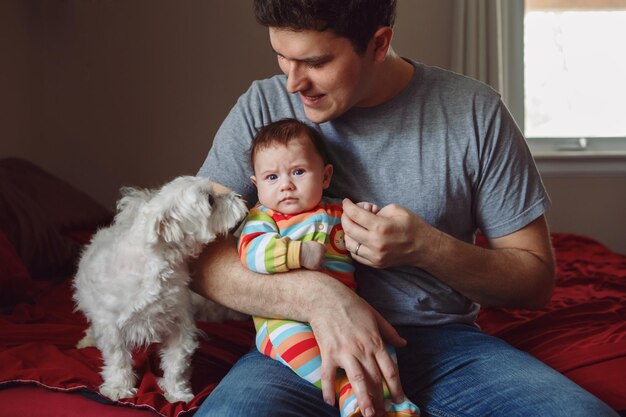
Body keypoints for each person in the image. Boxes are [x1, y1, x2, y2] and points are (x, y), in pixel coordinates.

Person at [191, 1, 620, 416]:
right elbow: (194, 254)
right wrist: (317, 297)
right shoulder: (262, 108)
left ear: (379, 44)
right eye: (282, 57)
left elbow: (535, 280)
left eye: (316, 62)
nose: (292, 82)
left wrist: (426, 247)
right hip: (295, 342)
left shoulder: (475, 112)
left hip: (443, 347)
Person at [238, 118, 420, 417]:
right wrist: (297, 253)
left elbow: (365, 236)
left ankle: (394, 402)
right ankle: (351, 397)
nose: (286, 185)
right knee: (307, 351)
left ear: (325, 176)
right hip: (283, 319)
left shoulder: (338, 209)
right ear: (256, 183)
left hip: (349, 311)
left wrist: (369, 217)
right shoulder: (263, 217)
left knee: (377, 344)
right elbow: (251, 253)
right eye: (271, 177)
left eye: (298, 172)